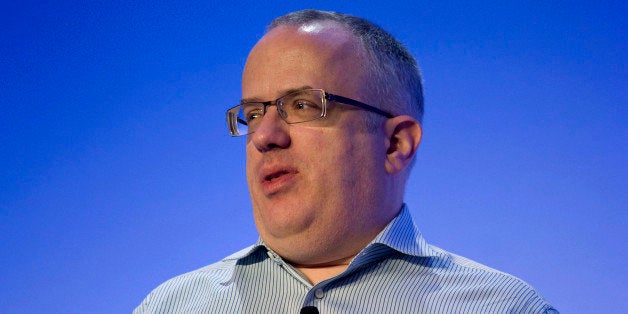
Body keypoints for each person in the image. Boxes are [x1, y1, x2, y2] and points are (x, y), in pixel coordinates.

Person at [134, 9, 557, 313]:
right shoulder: (170, 305)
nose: (264, 136)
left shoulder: (505, 308)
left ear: (395, 144)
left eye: (301, 105)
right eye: (255, 113)